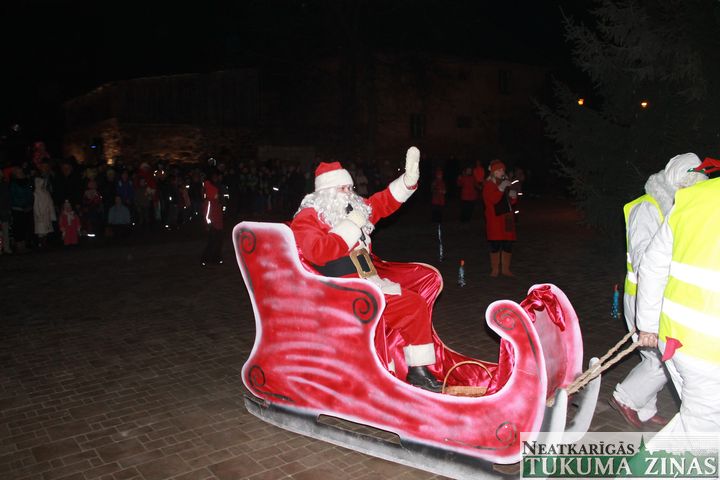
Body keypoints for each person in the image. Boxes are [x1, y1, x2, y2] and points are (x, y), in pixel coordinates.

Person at [290, 147, 442, 392]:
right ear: (326, 192)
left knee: (414, 304)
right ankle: (378, 376)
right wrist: (351, 225)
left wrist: (407, 181)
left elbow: (382, 203)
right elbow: (318, 251)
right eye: (343, 189)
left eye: (350, 188)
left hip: (368, 282)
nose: (349, 193)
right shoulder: (308, 217)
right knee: (382, 309)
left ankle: (418, 370)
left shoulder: (352, 209)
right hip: (339, 290)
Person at [610, 153, 706, 428]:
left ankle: (645, 408)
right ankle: (626, 397)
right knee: (662, 358)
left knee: (653, 355)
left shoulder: (675, 208)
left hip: (663, 293)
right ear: (675, 181)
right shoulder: (647, 208)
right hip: (643, 295)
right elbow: (645, 259)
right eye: (686, 186)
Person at [635, 156, 720, 433]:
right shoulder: (647, 207)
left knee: (700, 419)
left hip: (677, 325)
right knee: (701, 427)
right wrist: (647, 324)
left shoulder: (689, 202)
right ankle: (630, 401)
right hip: (695, 335)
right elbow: (645, 259)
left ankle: (636, 404)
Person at [482, 159, 517, 277]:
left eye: (502, 169)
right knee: (495, 244)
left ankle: (506, 269)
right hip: (495, 219)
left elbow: (510, 202)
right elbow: (493, 200)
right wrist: (501, 188)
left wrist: (513, 197)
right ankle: (495, 269)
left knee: (508, 244)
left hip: (507, 218)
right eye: (498, 170)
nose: (501, 172)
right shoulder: (489, 185)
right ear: (493, 172)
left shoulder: (506, 183)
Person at [201, 168, 224, 265]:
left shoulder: (215, 200)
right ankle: (206, 259)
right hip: (213, 223)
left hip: (218, 222)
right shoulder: (210, 201)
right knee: (213, 241)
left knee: (218, 241)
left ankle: (215, 258)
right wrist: (209, 224)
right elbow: (207, 213)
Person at [33, 176, 56, 248]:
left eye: (44, 184)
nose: (43, 185)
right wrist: (38, 214)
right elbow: (35, 205)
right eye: (41, 184)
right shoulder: (36, 193)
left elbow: (50, 203)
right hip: (41, 213)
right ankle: (40, 243)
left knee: (46, 229)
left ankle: (44, 243)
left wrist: (52, 213)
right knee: (41, 230)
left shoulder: (46, 192)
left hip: (47, 213)